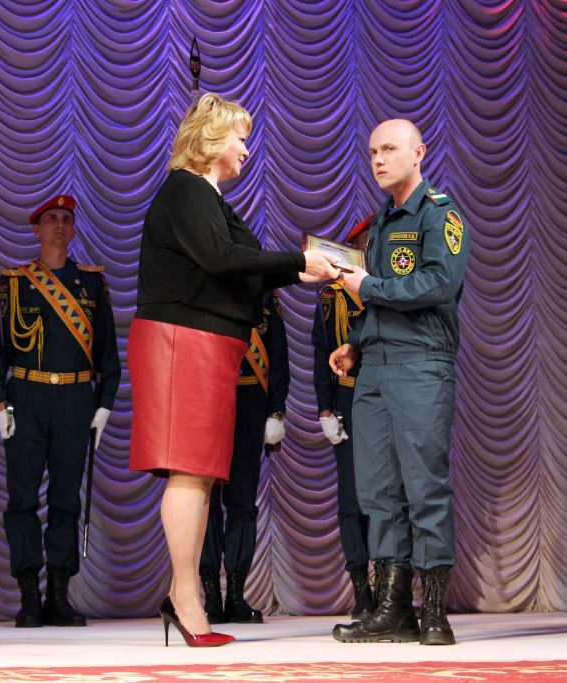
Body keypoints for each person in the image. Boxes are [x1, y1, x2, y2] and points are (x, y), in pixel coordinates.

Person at [129, 93, 340, 647]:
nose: (247, 149)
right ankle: (185, 597)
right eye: (240, 138)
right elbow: (223, 259)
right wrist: (297, 262)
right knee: (188, 471)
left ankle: (183, 595)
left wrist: (299, 270)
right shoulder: (186, 190)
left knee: (199, 473)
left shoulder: (208, 198)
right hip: (183, 342)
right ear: (210, 139)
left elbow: (238, 265)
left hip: (205, 344)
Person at [330, 119, 470, 646]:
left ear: (419, 153)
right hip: (375, 369)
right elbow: (382, 301)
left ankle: (434, 611)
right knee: (378, 492)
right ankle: (393, 609)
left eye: (389, 149)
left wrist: (368, 286)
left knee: (424, 487)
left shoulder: (440, 213)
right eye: (372, 152)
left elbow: (438, 283)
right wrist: (355, 342)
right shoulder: (383, 220)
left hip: (420, 365)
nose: (379, 159)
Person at [0, 194, 121, 628]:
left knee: (65, 499)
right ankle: (29, 594)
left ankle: (59, 594)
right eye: (51, 219)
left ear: (73, 229)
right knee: (22, 499)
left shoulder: (92, 284)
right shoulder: (13, 283)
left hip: (76, 400)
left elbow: (108, 353)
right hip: (26, 397)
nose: (59, 225)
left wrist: (104, 405)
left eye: (65, 219)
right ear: (36, 229)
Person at [200, 290, 289, 625]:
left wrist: (276, 411)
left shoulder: (264, 298)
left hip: (250, 401)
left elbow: (279, 356)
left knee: (242, 503)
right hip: (208, 401)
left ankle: (236, 594)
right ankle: (211, 595)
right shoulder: (203, 289)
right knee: (204, 501)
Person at [311, 215, 374, 622]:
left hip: (386, 397)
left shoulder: (386, 289)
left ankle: (391, 584)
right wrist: (325, 407)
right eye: (365, 243)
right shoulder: (331, 296)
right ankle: (362, 589)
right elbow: (322, 352)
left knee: (389, 498)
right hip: (349, 399)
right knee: (352, 499)